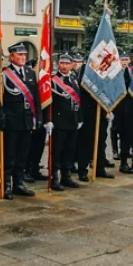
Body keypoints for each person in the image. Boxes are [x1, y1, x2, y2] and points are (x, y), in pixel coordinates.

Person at [0, 43, 40, 199]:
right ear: (11, 56)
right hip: (11, 121)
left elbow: (36, 98)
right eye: (19, 55)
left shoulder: (29, 72)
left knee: (22, 155)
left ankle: (19, 183)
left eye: (24, 55)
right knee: (10, 155)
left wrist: (38, 118)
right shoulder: (4, 74)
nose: (22, 58)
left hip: (27, 120)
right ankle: (7, 184)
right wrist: (1, 118)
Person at [50, 54, 83, 190]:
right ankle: (54, 178)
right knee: (57, 150)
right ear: (58, 65)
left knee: (70, 150)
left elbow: (78, 100)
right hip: (59, 121)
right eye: (62, 63)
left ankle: (66, 176)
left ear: (71, 65)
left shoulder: (74, 78)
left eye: (67, 64)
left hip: (73, 120)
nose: (64, 66)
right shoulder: (53, 80)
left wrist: (80, 118)